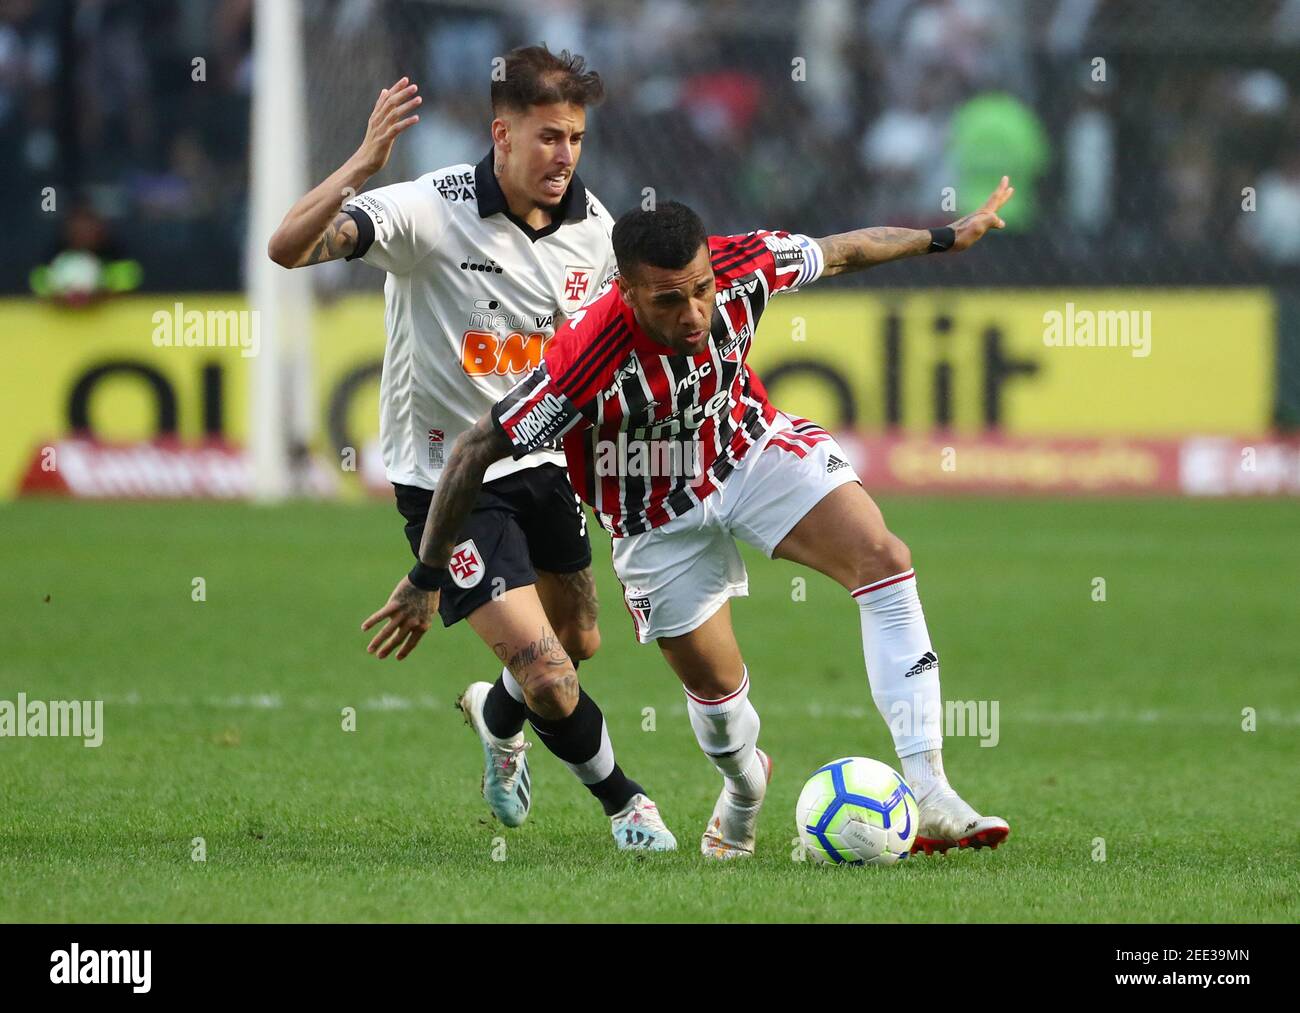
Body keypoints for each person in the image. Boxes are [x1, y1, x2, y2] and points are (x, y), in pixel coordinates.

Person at [387, 179, 1017, 859]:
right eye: (668, 300)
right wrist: (426, 573)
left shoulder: (743, 267)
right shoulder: (583, 360)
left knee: (886, 558)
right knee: (719, 703)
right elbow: (477, 448)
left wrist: (946, 235)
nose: (693, 314)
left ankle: (930, 790)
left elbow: (844, 251)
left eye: (700, 290)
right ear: (625, 293)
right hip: (654, 517)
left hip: (748, 449)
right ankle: (745, 790)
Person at [268, 46, 675, 851]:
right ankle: (631, 806)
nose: (565, 155)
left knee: (582, 642)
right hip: (447, 485)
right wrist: (361, 162)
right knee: (552, 678)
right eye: (549, 136)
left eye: (576, 139)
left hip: (540, 462)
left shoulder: (596, 233)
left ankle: (493, 718)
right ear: (502, 133)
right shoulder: (429, 209)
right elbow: (287, 247)